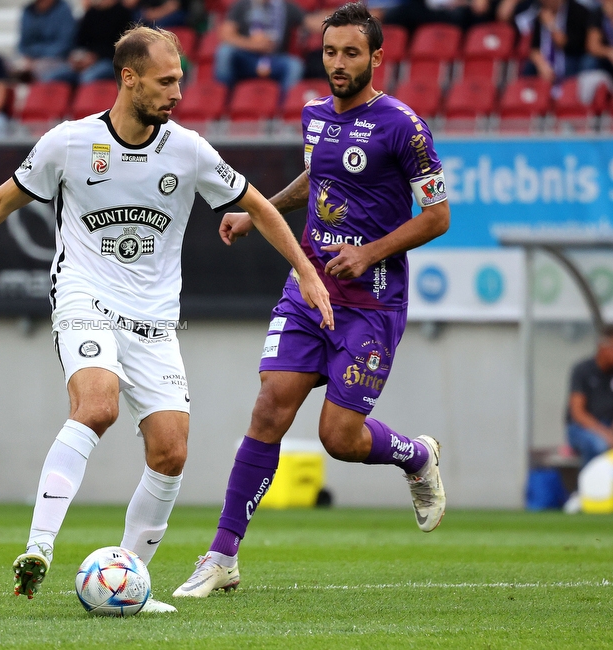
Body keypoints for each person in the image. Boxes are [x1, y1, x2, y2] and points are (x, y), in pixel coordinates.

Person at [0, 26, 333, 612]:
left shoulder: (187, 150)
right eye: (165, 81)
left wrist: (308, 273)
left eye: (180, 80)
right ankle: (38, 547)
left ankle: (129, 584)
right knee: (98, 406)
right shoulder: (69, 142)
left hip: (155, 322)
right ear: (128, 78)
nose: (176, 92)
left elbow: (258, 206)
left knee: (171, 451)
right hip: (86, 299)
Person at [173, 2, 450, 599]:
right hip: (311, 288)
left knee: (339, 437)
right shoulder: (313, 114)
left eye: (351, 53)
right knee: (270, 408)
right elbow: (316, 182)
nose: (338, 63)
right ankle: (222, 555)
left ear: (377, 57)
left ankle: (415, 456)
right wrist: (258, 213)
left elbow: (438, 216)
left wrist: (372, 251)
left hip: (371, 302)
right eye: (330, 52)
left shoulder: (405, 125)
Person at [213, 0, 320, 94]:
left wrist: (334, 16)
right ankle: (223, 95)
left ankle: (283, 108)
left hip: (275, 59)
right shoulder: (242, 4)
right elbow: (226, 35)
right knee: (225, 51)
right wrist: (253, 45)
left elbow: (312, 23)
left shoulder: (287, 6)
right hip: (246, 58)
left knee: (295, 66)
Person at [50, 0, 135, 84]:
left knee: (86, 78)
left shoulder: (123, 14)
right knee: (53, 76)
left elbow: (123, 48)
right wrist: (76, 57)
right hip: (85, 60)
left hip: (109, 61)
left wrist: (96, 56)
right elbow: (80, 42)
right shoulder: (91, 13)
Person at [566, 325, 613, 467]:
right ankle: (590, 486)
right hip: (582, 428)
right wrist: (605, 433)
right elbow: (578, 414)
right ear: (603, 347)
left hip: (608, 427)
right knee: (599, 445)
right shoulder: (583, 370)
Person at [525, 0, 595, 86]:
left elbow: (570, 45)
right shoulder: (541, 12)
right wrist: (542, 65)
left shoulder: (578, 11)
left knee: (571, 63)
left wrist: (551, 26)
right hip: (545, 61)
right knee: (529, 67)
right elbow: (534, 48)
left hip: (571, 57)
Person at [14, 0, 78, 83]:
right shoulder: (28, 11)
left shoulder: (63, 9)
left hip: (57, 58)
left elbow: (64, 44)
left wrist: (36, 55)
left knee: (40, 69)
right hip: (32, 59)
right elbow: (23, 43)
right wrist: (27, 56)